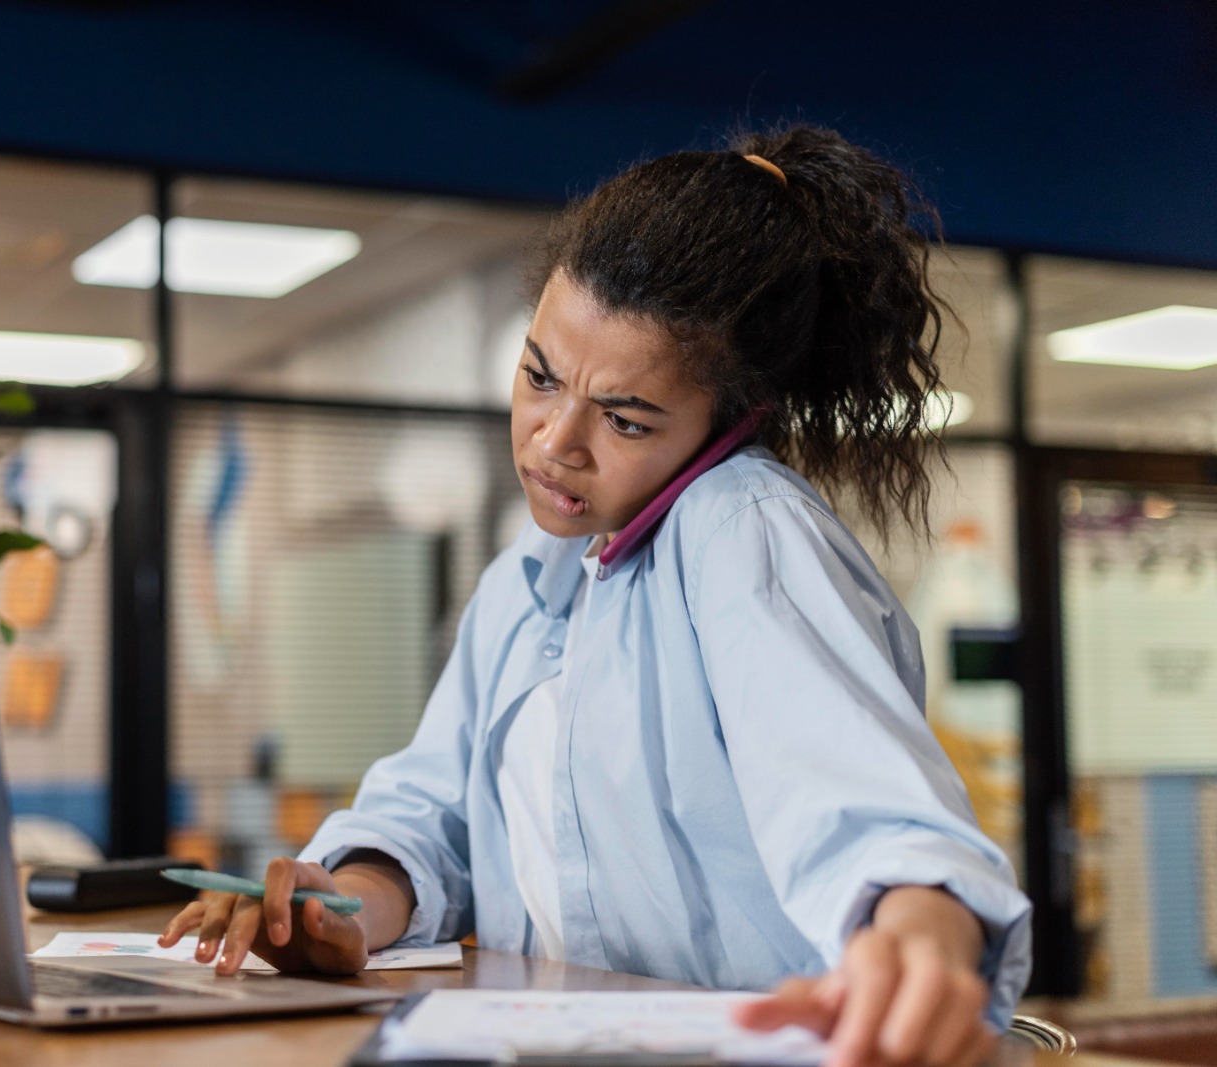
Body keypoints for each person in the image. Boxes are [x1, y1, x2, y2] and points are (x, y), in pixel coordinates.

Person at [161, 125, 1032, 1067]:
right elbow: (430, 815)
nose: (552, 442)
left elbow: (864, 808)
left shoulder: (739, 526)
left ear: (733, 421)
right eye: (539, 375)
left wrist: (920, 933)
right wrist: (345, 910)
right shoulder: (526, 581)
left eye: (624, 417)